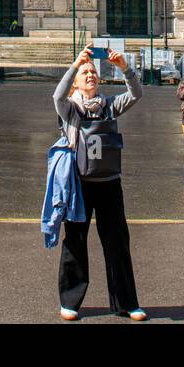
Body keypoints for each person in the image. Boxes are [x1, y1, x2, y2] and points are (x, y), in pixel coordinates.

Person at [51, 46, 147, 320]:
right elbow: (57, 94)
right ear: (77, 83)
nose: (90, 75)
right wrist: (75, 64)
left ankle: (127, 303)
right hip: (79, 185)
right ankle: (70, 302)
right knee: (76, 242)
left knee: (117, 243)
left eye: (93, 71)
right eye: (85, 73)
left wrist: (125, 68)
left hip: (109, 183)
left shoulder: (110, 105)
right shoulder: (69, 109)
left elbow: (137, 94)